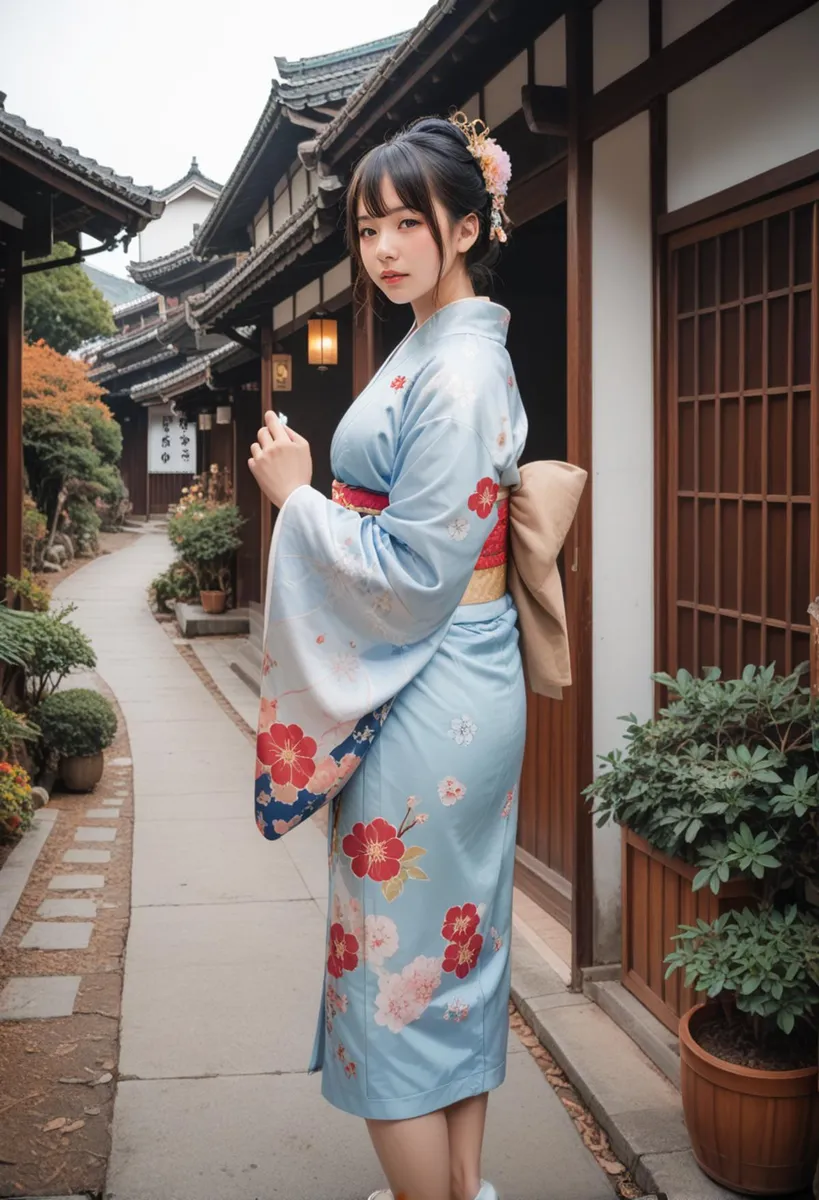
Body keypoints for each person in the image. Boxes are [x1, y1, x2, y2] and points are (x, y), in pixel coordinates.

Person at [249, 111, 528, 1200]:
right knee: (455, 950)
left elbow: (413, 570)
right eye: (370, 229)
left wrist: (298, 501)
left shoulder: (454, 373)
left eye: (410, 222)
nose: (385, 249)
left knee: (395, 971)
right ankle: (460, 1187)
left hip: (428, 685)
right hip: (465, 675)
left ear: (466, 226)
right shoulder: (444, 344)